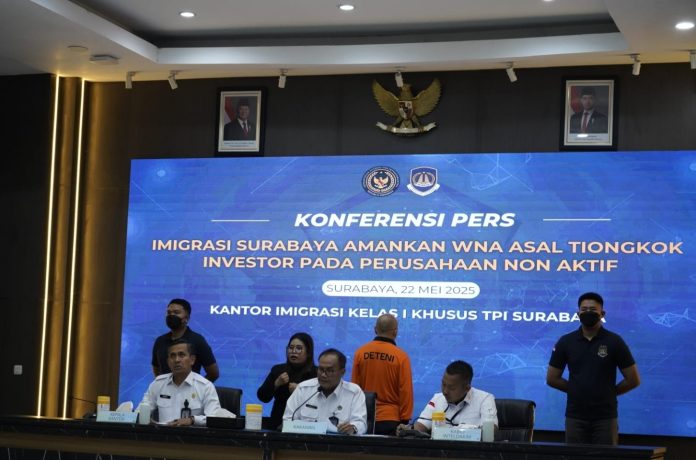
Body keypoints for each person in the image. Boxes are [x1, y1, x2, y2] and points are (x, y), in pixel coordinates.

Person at [547, 292, 640, 445]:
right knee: (574, 456)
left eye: (593, 310)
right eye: (584, 310)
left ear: (602, 314)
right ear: (578, 314)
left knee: (605, 456)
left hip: (605, 417)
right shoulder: (566, 342)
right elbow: (552, 379)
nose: (588, 313)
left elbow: (633, 380)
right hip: (575, 416)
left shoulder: (615, 341)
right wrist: (577, 390)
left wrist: (608, 392)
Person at [351, 314, 413, 435]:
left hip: (364, 417)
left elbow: (354, 387)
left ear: (375, 330)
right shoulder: (401, 357)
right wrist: (405, 420)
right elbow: (405, 391)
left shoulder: (360, 353)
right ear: (395, 332)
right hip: (390, 419)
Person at [398, 360, 497, 435]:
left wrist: (467, 431)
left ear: (467, 388)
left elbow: (491, 430)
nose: (445, 391)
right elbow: (421, 425)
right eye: (443, 384)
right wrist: (408, 430)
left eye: (451, 388)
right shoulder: (437, 399)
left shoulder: (485, 399)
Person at [283, 348, 367, 435]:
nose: (323, 375)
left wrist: (353, 428)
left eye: (330, 371)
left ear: (342, 372)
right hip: (305, 441)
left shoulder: (354, 392)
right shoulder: (303, 388)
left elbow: (361, 423)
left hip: (339, 442)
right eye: (321, 369)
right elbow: (288, 419)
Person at [141, 340, 222, 426]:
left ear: (192, 360)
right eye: (173, 356)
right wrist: (144, 418)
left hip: (192, 433)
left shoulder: (205, 386)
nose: (177, 360)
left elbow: (214, 418)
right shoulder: (158, 384)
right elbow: (141, 410)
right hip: (163, 433)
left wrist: (192, 420)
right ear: (168, 361)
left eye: (181, 355)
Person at [257, 332, 317, 429]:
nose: (293, 351)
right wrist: (276, 384)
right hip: (277, 424)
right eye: (290, 348)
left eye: (299, 348)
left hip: (306, 427)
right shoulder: (278, 370)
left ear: (308, 352)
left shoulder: (316, 374)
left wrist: (300, 392)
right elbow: (262, 397)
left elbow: (322, 403)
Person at [152, 298, 219, 381]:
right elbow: (156, 369)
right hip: (165, 389)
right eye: (169, 313)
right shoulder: (160, 341)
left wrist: (198, 387)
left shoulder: (197, 340)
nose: (171, 315)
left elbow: (213, 373)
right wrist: (163, 386)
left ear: (186, 318)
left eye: (176, 312)